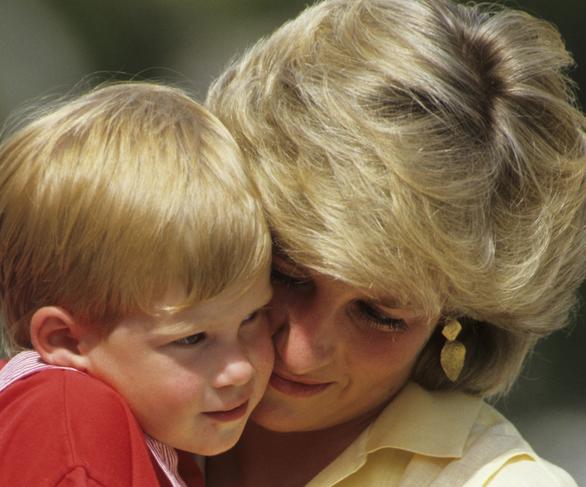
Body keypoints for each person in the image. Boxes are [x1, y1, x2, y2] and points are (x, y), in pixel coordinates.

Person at [205, 0, 586, 485]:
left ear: (455, 319)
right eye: (285, 273)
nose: (300, 352)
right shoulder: (100, 362)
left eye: (381, 316)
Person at [0, 82, 274, 486]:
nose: (238, 369)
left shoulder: (140, 430)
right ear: (65, 340)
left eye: (253, 316)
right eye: (192, 338)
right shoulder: (70, 429)